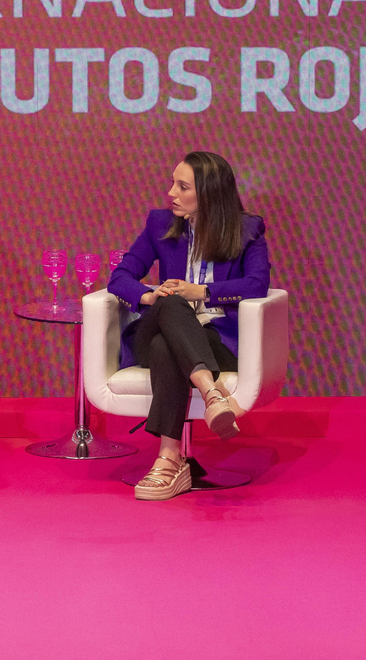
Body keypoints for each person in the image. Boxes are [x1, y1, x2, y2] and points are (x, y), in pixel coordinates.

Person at [106, 151, 270, 501]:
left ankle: (169, 460)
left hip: (213, 339)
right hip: (154, 326)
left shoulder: (247, 230)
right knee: (170, 302)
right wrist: (149, 297)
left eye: (182, 187)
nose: (171, 193)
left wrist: (203, 292)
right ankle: (212, 394)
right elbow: (119, 277)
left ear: (209, 193)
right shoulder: (160, 224)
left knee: (168, 346)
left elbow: (256, 284)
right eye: (172, 183)